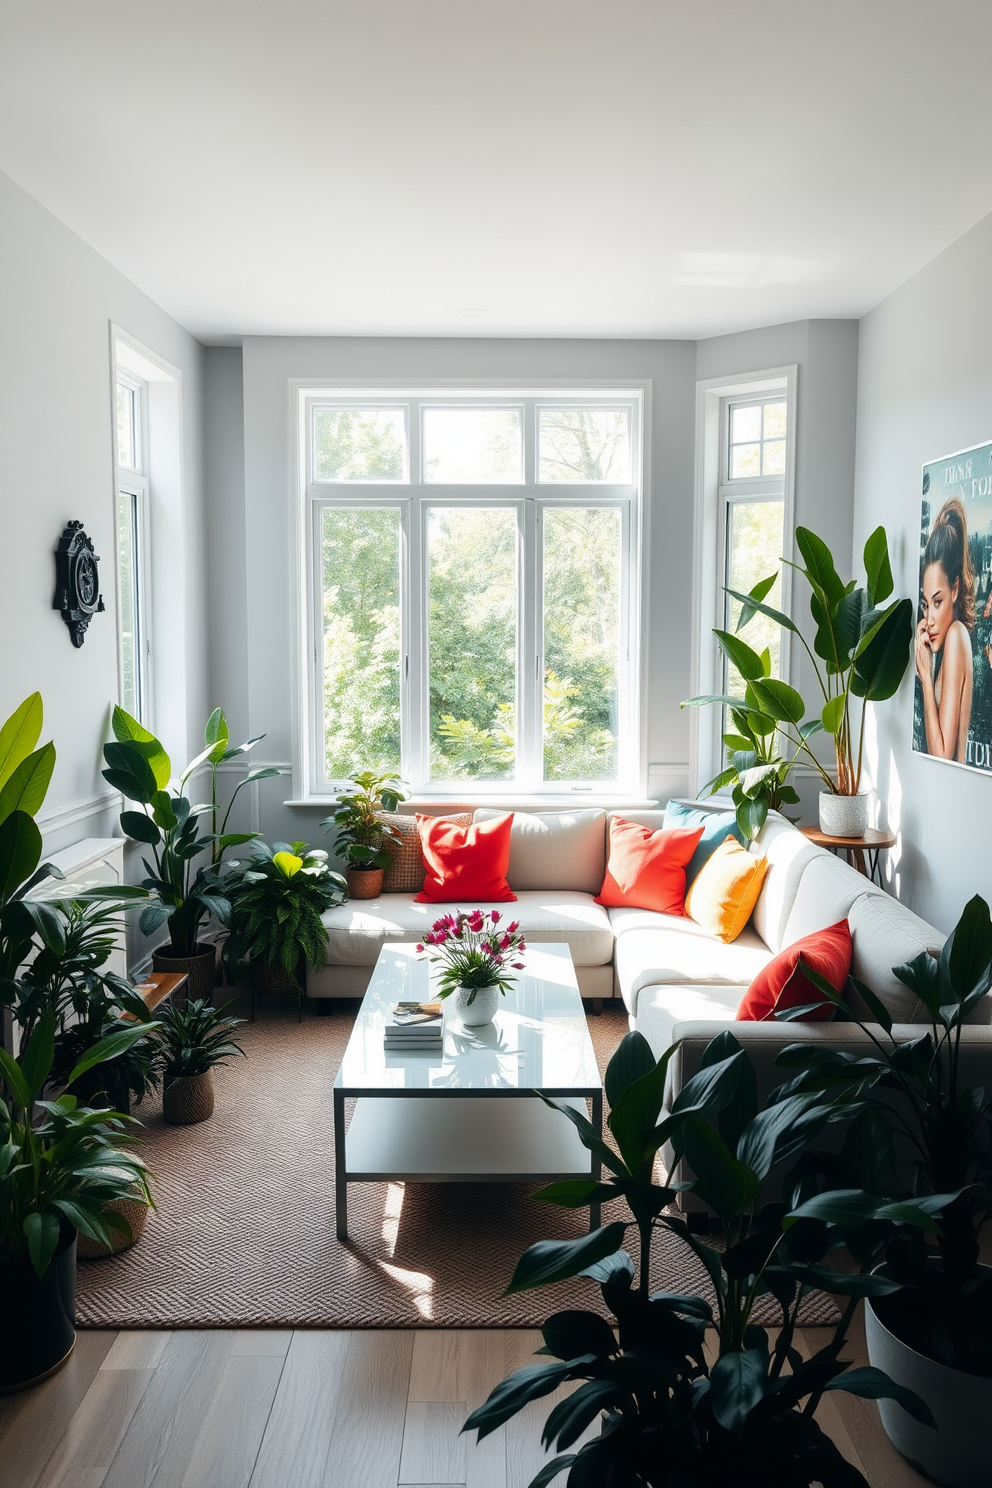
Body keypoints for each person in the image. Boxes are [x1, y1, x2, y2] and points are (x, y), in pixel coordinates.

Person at [915, 496, 974, 761]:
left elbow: (941, 753)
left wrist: (926, 677)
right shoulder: (945, 646)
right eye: (926, 605)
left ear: (956, 589)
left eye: (937, 602)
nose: (928, 618)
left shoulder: (957, 636)